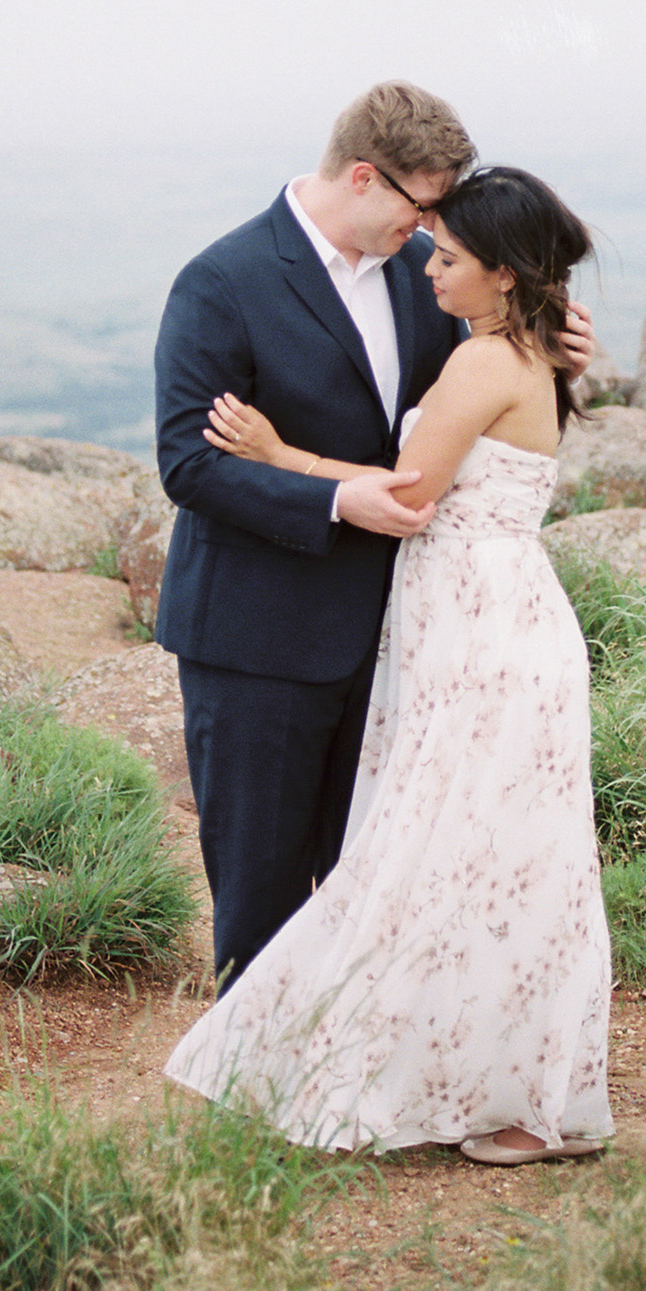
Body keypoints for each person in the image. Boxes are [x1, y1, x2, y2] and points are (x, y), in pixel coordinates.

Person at [164, 164, 612, 1165]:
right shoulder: (525, 343)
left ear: (498, 274)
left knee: (445, 850)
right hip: (498, 616)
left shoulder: (483, 363)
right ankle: (509, 1087)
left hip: (479, 627)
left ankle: (461, 1083)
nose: (427, 265)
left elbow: (407, 493)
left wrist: (279, 453)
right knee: (501, 858)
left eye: (446, 255)